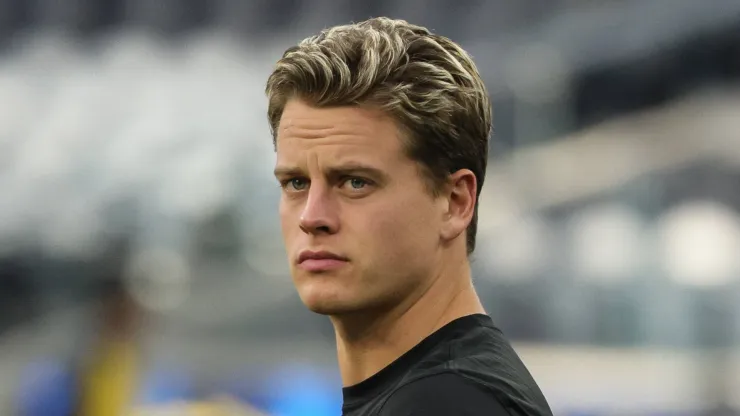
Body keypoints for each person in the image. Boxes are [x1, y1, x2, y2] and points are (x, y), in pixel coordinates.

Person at [265, 17, 553, 416]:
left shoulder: (447, 403)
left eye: (354, 182)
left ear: (455, 202)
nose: (312, 217)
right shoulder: (437, 391)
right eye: (296, 183)